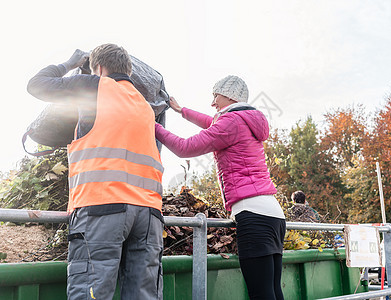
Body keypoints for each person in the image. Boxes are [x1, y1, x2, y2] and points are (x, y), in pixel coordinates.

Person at [27, 44, 164, 300]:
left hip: (102, 207)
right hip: (148, 215)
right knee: (144, 295)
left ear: (99, 68)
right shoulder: (145, 106)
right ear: (128, 70)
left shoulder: (95, 86)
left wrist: (69, 64)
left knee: (91, 291)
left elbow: (37, 84)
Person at [155, 75, 286, 300]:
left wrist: (152, 124)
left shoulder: (231, 123)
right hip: (273, 216)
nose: (213, 102)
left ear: (229, 96)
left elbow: (185, 148)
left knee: (261, 294)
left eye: (215, 95)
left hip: (253, 215)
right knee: (272, 291)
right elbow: (212, 123)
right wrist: (182, 111)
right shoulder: (243, 120)